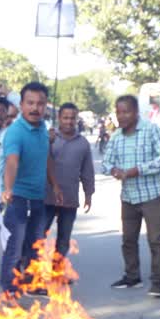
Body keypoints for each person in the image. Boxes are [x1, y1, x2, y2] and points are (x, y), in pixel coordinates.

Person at [102, 95, 160, 298]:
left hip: (151, 194)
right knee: (128, 239)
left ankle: (158, 282)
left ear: (136, 112)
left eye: (126, 111)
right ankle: (132, 276)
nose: (122, 116)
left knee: (155, 239)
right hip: (128, 196)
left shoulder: (151, 130)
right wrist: (114, 169)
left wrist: (139, 170)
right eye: (118, 112)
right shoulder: (116, 136)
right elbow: (106, 163)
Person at [0, 82, 63, 295]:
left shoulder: (44, 129)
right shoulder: (15, 132)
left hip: (38, 198)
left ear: (45, 106)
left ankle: (32, 282)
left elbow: (46, 158)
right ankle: (9, 287)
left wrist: (55, 185)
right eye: (30, 103)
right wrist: (9, 188)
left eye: (40, 104)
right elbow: (12, 161)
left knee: (36, 244)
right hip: (17, 198)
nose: (35, 108)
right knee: (15, 245)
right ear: (21, 105)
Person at [44, 102, 95, 263]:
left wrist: (88, 194)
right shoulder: (48, 138)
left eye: (72, 118)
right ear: (59, 118)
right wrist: (47, 142)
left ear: (77, 119)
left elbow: (87, 172)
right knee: (38, 234)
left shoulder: (83, 143)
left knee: (64, 238)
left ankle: (57, 272)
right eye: (65, 117)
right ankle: (32, 270)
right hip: (46, 197)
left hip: (69, 198)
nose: (68, 121)